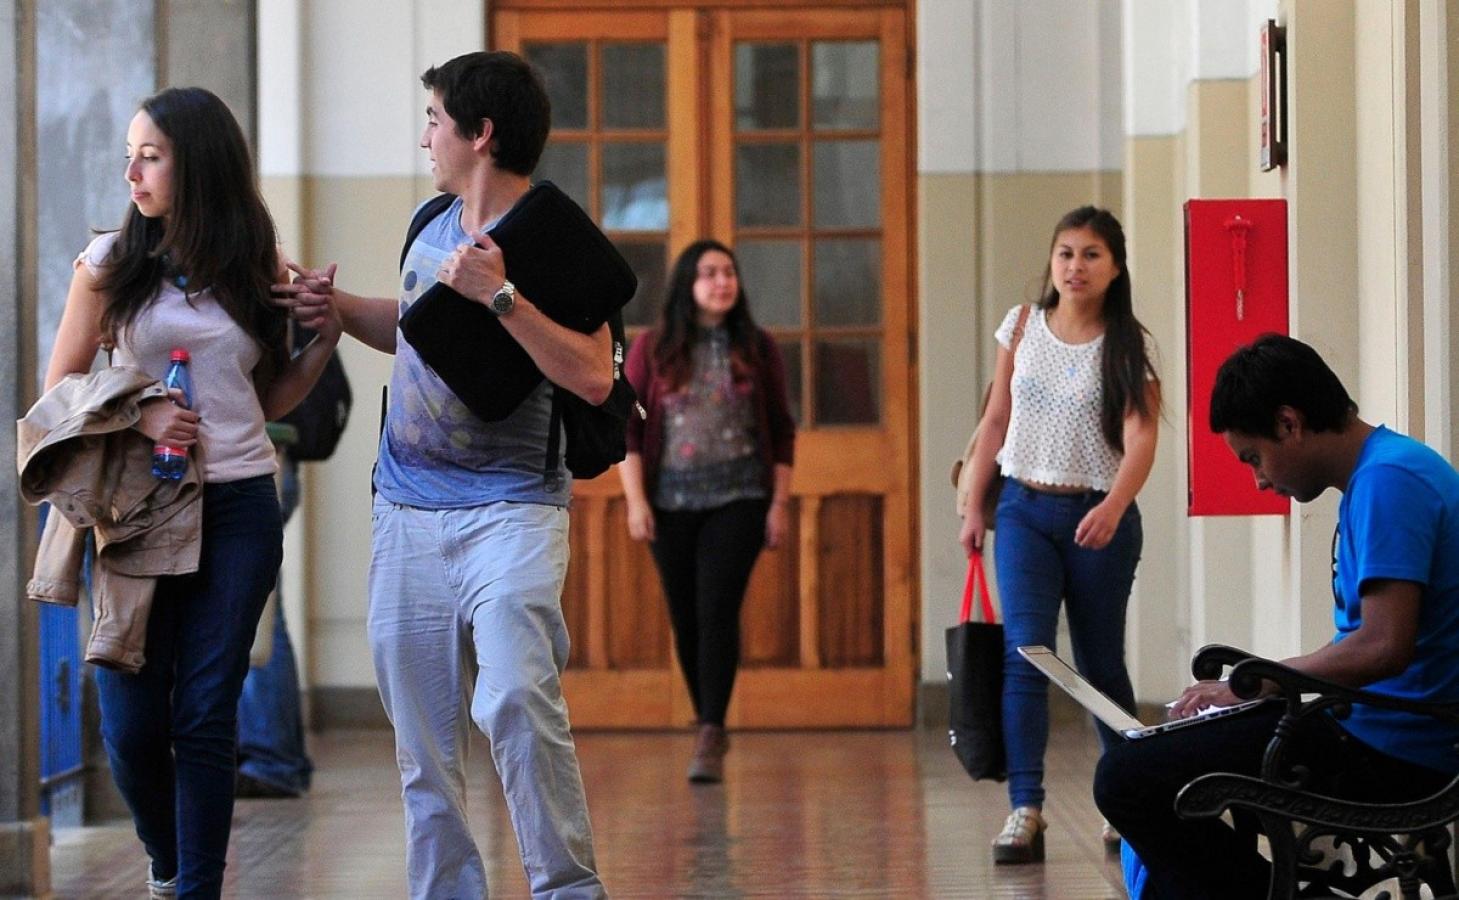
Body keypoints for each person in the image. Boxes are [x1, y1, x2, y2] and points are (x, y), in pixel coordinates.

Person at [272, 51, 608, 899]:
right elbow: (415, 331)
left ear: (479, 132)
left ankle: (567, 888)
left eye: (433, 119)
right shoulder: (430, 220)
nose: (425, 136)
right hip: (406, 510)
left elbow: (594, 376)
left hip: (512, 511)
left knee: (517, 701)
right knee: (421, 743)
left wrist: (501, 295)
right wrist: (335, 308)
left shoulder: (556, 239)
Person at [44, 86, 340, 898]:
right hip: (136, 511)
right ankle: (169, 864)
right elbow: (61, 386)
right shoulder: (109, 264)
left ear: (199, 163)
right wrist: (141, 412)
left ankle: (198, 889)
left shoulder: (255, 263)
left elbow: (265, 397)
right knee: (131, 726)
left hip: (239, 503)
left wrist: (322, 342)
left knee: (206, 711)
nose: (131, 172)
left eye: (150, 156)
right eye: (130, 155)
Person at [1094, 334, 1459, 899]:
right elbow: (1366, 641)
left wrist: (1259, 682)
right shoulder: (1382, 474)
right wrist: (1254, 688)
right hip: (1368, 725)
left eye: (1253, 458)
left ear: (1289, 423)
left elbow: (1384, 647)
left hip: (1394, 751)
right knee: (1147, 770)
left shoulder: (1390, 482)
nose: (1259, 480)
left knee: (1127, 778)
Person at [957, 206, 1160, 864]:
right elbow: (995, 420)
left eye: (1091, 255)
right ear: (1052, 261)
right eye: (1066, 253)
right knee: (1028, 654)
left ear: (1115, 268)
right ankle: (1025, 807)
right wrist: (973, 507)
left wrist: (1115, 504)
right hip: (1023, 509)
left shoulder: (1128, 344)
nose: (1076, 267)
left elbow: (1141, 436)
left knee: (1099, 665)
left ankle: (1123, 803)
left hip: (1098, 516)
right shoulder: (1020, 327)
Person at [617, 240, 796, 783]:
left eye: (729, 273)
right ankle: (707, 718)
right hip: (668, 504)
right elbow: (628, 430)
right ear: (687, 285)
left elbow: (782, 430)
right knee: (686, 615)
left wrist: (779, 504)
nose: (722, 282)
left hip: (740, 500)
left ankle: (711, 729)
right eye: (710, 273)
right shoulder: (652, 348)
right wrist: (636, 501)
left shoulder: (757, 347)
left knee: (717, 607)